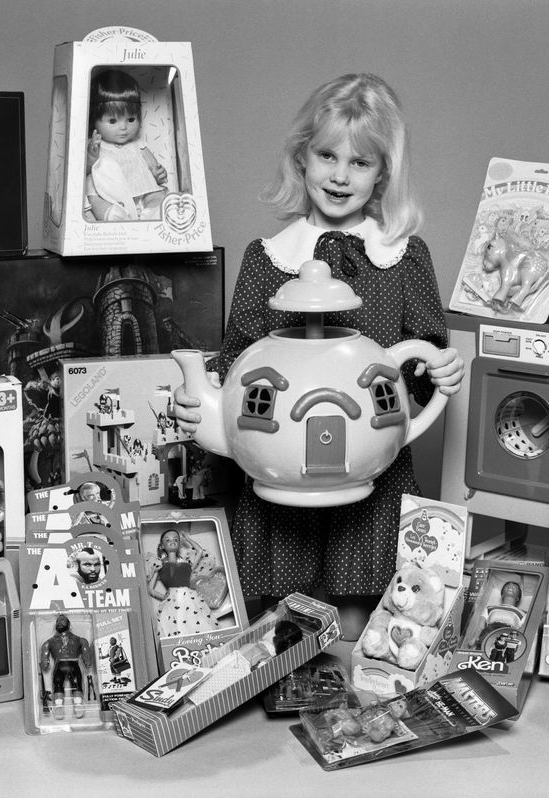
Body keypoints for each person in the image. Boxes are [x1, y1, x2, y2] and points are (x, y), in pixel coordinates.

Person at [174, 74, 464, 640]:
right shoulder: (269, 257)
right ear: (300, 158)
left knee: (358, 625)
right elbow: (237, 360)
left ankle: (358, 610)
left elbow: (426, 350)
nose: (339, 175)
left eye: (360, 163)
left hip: (371, 457)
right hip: (282, 460)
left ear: (384, 173)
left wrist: (441, 369)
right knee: (287, 622)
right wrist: (206, 400)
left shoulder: (404, 257)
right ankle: (291, 616)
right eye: (326, 155)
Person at [85, 69, 168, 222]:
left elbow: (152, 164)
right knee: (92, 194)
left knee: (158, 195)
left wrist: (158, 173)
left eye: (130, 119)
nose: (123, 127)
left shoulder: (138, 144)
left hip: (140, 187)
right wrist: (91, 155)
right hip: (110, 195)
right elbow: (87, 169)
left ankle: (151, 214)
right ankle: (111, 215)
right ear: (94, 120)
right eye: (112, 121)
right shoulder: (96, 144)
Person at [146, 529, 220, 638]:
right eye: (168, 540)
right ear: (162, 546)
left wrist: (188, 539)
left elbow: (199, 551)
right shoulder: (159, 565)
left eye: (176, 539)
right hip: (172, 601)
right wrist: (165, 597)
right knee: (176, 626)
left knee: (197, 621)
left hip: (190, 597)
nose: (172, 542)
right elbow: (150, 590)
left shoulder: (187, 563)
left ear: (179, 544)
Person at [39, 614, 93, 720]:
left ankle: (78, 705)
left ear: (68, 624)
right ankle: (59, 707)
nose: (59, 623)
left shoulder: (79, 639)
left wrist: (87, 661)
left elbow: (85, 649)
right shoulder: (50, 641)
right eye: (58, 621)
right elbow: (45, 650)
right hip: (60, 665)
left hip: (74, 664)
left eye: (62, 621)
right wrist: (45, 661)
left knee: (77, 683)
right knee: (58, 683)